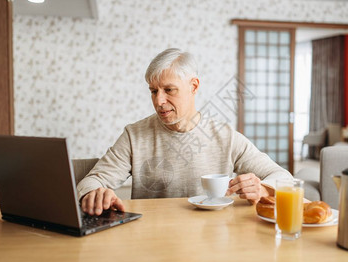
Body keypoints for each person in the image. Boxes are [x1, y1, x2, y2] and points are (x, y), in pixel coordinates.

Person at [77, 48, 292, 215]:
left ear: (194, 86)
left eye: (169, 90)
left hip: (211, 238)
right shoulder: (135, 136)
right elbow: (92, 180)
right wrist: (93, 193)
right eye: (153, 91)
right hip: (150, 238)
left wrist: (263, 189)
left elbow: (284, 178)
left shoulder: (225, 136)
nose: (159, 101)